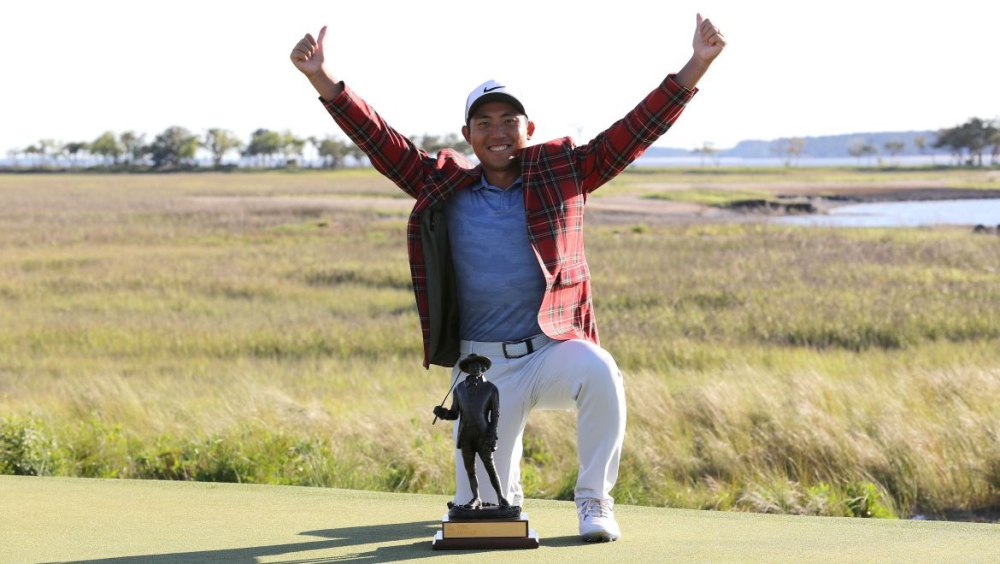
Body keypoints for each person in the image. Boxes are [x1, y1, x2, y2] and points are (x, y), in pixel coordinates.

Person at [290, 14, 725, 543]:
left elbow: (634, 132)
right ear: (467, 135)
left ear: (529, 128)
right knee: (492, 509)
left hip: (550, 350)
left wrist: (697, 64)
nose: (497, 132)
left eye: (509, 120)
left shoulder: (565, 172)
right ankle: (502, 500)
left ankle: (594, 500)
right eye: (485, 122)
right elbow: (380, 141)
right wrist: (321, 77)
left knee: (601, 371)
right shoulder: (443, 183)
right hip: (481, 369)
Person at [433, 354, 510, 511]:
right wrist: (442, 413)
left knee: (490, 467)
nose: (475, 368)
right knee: (470, 469)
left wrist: (492, 435)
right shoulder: (459, 389)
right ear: (467, 369)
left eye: (478, 365)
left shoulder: (491, 389)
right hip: (466, 436)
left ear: (483, 368)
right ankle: (476, 498)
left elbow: (495, 415)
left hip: (484, 434)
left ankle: (501, 497)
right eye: (472, 366)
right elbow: (455, 413)